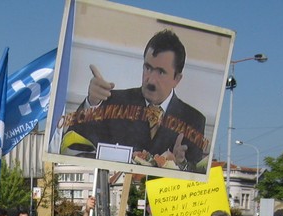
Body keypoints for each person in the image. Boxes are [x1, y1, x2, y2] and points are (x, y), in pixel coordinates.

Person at [63, 30, 206, 172]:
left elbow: (196, 177)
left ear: (177, 79)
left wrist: (181, 164)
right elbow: (72, 144)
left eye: (161, 72)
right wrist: (92, 104)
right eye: (148, 68)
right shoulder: (113, 102)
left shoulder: (194, 120)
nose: (150, 79)